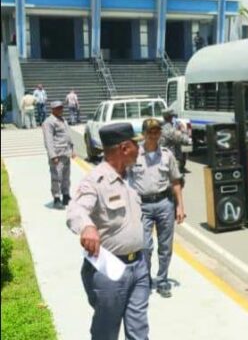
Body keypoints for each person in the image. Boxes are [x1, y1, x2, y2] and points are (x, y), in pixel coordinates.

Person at [66, 123, 148, 340]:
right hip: (110, 270)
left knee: (139, 330)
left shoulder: (132, 176)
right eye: (136, 145)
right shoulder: (95, 181)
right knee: (106, 333)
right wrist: (87, 226)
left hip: (139, 265)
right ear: (124, 148)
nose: (139, 149)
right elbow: (75, 210)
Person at [128, 118, 185, 298]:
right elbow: (125, 181)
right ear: (144, 134)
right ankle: (144, 280)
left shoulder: (167, 155)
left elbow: (175, 181)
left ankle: (162, 280)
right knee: (144, 246)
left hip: (164, 203)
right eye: (150, 132)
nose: (154, 135)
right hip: (142, 205)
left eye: (156, 131)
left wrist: (180, 206)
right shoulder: (134, 155)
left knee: (165, 246)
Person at [43, 101, 75, 208]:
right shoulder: (49, 122)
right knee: (57, 177)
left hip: (66, 153)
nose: (61, 110)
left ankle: (66, 195)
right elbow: (48, 140)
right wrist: (53, 156)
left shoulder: (63, 120)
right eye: (58, 108)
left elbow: (68, 135)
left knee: (66, 176)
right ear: (53, 109)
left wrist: (72, 149)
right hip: (57, 154)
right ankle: (56, 198)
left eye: (61, 107)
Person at [159, 109, 191, 173]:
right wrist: (184, 131)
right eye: (173, 117)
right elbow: (185, 140)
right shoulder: (169, 129)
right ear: (170, 117)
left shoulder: (160, 126)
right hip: (169, 159)